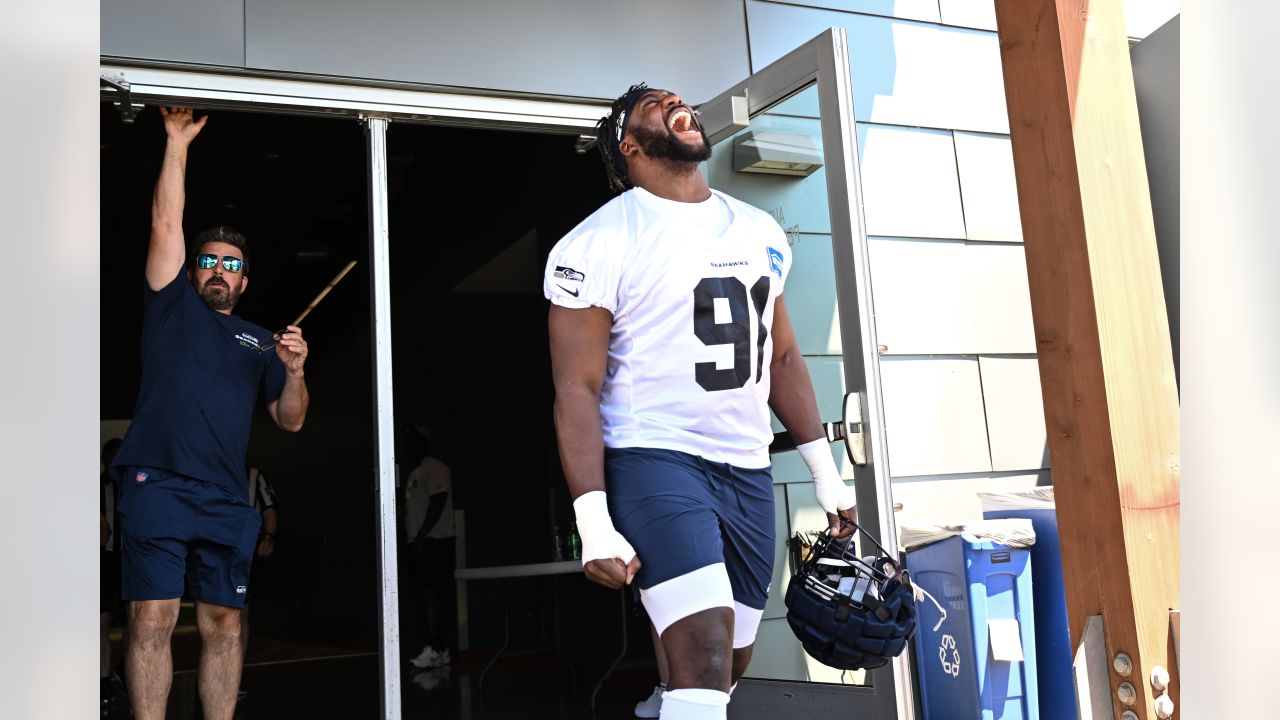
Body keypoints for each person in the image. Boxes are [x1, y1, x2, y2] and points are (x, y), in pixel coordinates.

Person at [545, 84, 857, 720]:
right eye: (652, 103)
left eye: (674, 95)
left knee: (731, 660)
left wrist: (825, 473)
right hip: (655, 458)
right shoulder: (601, 239)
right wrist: (592, 520)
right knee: (705, 650)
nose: (672, 99)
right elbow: (576, 387)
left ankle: (663, 707)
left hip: (745, 467)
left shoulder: (761, 228)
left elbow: (784, 358)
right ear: (628, 145)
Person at [110, 106, 310, 720]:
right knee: (155, 616)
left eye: (231, 264)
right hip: (156, 482)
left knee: (225, 624)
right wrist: (176, 144)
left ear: (245, 282)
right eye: (209, 261)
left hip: (225, 497)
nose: (219, 270)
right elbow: (167, 220)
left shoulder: (260, 341)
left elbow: (291, 419)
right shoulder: (171, 308)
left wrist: (296, 369)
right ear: (193, 271)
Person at [401, 426, 457, 672]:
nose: (409, 444)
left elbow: (439, 500)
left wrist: (423, 534)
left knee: (432, 594)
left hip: (435, 540)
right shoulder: (416, 471)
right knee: (426, 594)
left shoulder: (435, 468)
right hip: (419, 541)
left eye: (414, 440)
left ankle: (433, 648)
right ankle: (440, 648)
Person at [239, 467, 278, 683]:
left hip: (244, 554)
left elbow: (269, 509)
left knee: (240, 612)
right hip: (215, 554)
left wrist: (269, 536)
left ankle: (236, 673)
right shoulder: (211, 468)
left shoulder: (255, 476)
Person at [101, 438, 124, 715]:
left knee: (137, 618)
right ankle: (103, 679)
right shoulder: (95, 486)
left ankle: (125, 671)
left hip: (130, 558)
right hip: (103, 560)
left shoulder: (135, 485)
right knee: (102, 619)